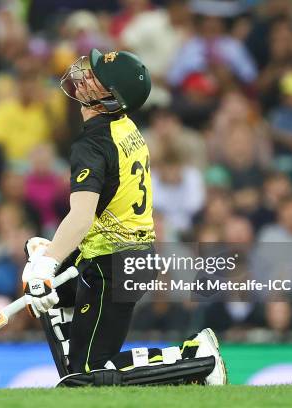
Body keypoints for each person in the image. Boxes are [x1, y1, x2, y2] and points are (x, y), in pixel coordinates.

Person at [21, 49, 226, 387]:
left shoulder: (94, 143)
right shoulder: (125, 126)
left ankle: (195, 361)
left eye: (95, 79)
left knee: (86, 375)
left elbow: (83, 216)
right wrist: (50, 255)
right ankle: (77, 343)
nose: (84, 75)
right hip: (126, 258)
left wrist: (49, 263)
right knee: (44, 281)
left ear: (110, 101)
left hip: (112, 267)